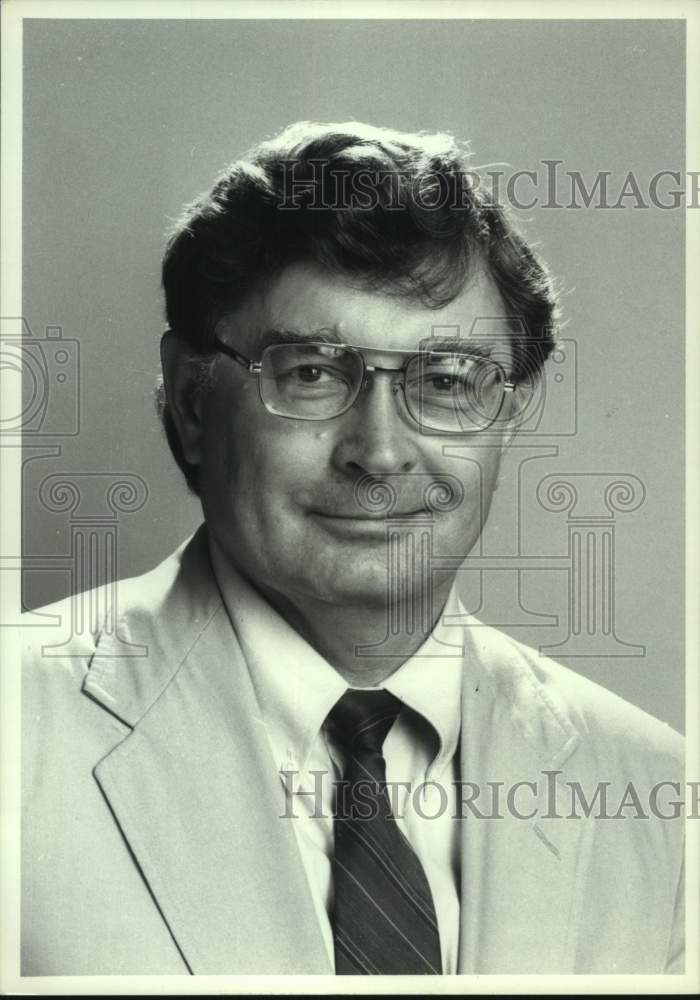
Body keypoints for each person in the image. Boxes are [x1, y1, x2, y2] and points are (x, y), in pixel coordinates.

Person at [22, 121, 684, 976]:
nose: (378, 452)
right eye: (312, 373)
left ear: (509, 412)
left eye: (445, 381)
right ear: (192, 401)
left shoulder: (659, 803)